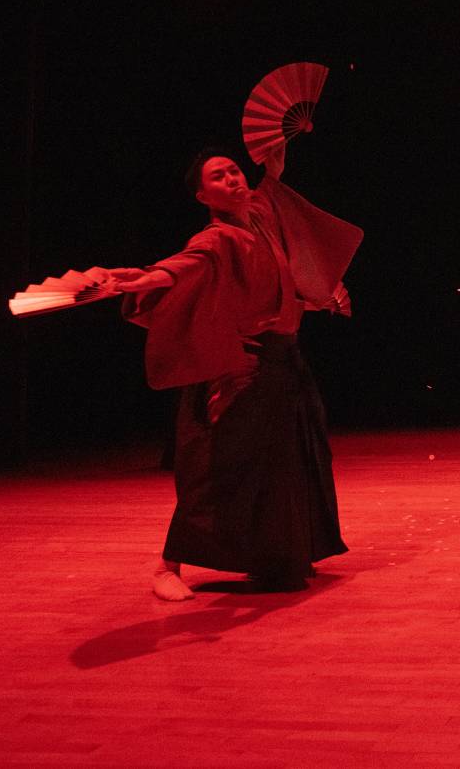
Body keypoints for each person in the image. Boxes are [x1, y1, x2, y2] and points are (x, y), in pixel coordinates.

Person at [108, 144, 362, 599]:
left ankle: (277, 556)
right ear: (204, 197)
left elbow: (269, 188)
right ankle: (167, 566)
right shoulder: (219, 237)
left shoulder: (259, 217)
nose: (232, 180)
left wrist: (278, 153)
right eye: (218, 178)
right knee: (218, 465)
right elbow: (190, 264)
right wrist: (149, 278)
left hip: (285, 361)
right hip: (243, 365)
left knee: (289, 463)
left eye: (233, 171)